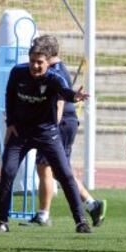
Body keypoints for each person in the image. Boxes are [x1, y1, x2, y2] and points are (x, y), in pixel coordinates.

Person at [0, 41, 91, 233]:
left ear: (48, 63)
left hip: (47, 133)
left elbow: (65, 92)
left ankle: (81, 221)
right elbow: (9, 95)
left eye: (39, 62)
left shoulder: (55, 78)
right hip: (20, 133)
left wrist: (75, 97)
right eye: (32, 61)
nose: (35, 66)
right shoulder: (18, 72)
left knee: (65, 174)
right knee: (8, 172)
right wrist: (10, 123)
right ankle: (2, 221)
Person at [27, 35, 106, 227]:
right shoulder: (55, 68)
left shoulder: (55, 71)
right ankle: (92, 204)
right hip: (65, 123)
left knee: (44, 167)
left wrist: (52, 127)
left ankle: (43, 215)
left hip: (59, 124)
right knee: (60, 170)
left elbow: (59, 101)